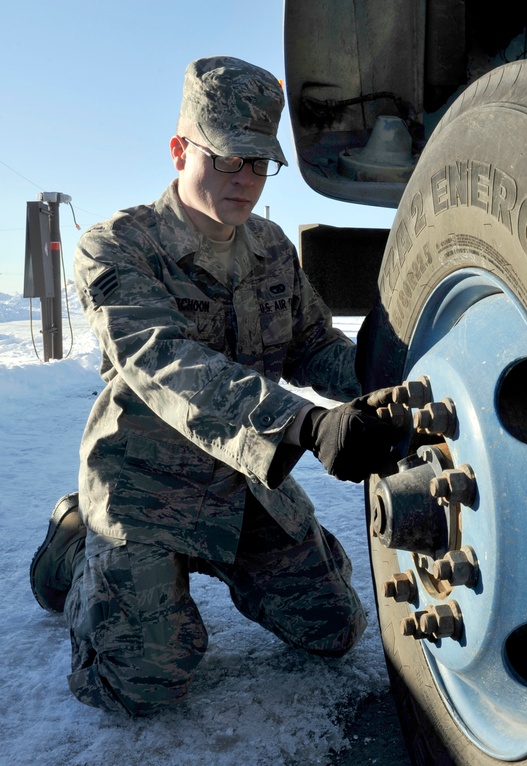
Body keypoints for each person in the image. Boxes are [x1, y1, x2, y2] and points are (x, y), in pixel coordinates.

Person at [28, 56, 405, 717]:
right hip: (145, 484)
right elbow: (165, 360)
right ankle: (78, 542)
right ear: (180, 151)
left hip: (243, 484)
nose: (246, 178)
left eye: (259, 162)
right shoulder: (116, 246)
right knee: (141, 685)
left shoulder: (271, 248)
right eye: (228, 157)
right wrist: (305, 426)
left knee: (335, 629)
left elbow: (311, 345)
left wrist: (379, 376)